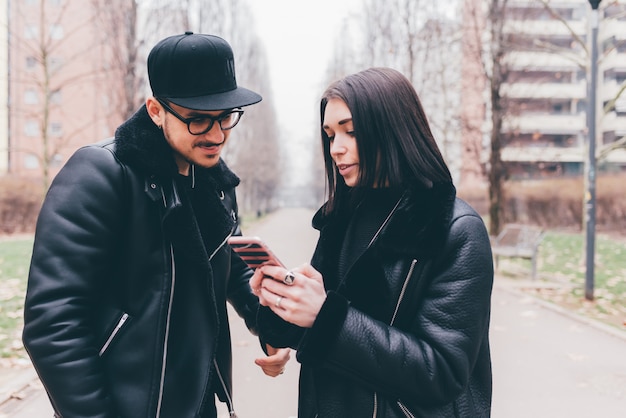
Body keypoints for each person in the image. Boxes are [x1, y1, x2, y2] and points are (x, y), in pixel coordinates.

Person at [22, 32, 290, 418]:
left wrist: (268, 326)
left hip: (199, 402)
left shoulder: (212, 181)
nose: (216, 135)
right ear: (155, 110)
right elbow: (52, 323)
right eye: (197, 120)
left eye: (225, 118)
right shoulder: (99, 175)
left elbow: (229, 266)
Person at [251, 67, 494, 417]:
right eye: (330, 135)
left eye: (350, 131)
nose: (336, 148)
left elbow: (441, 372)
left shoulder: (455, 229)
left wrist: (325, 317)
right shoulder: (342, 218)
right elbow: (325, 328)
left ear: (394, 128)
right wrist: (281, 308)